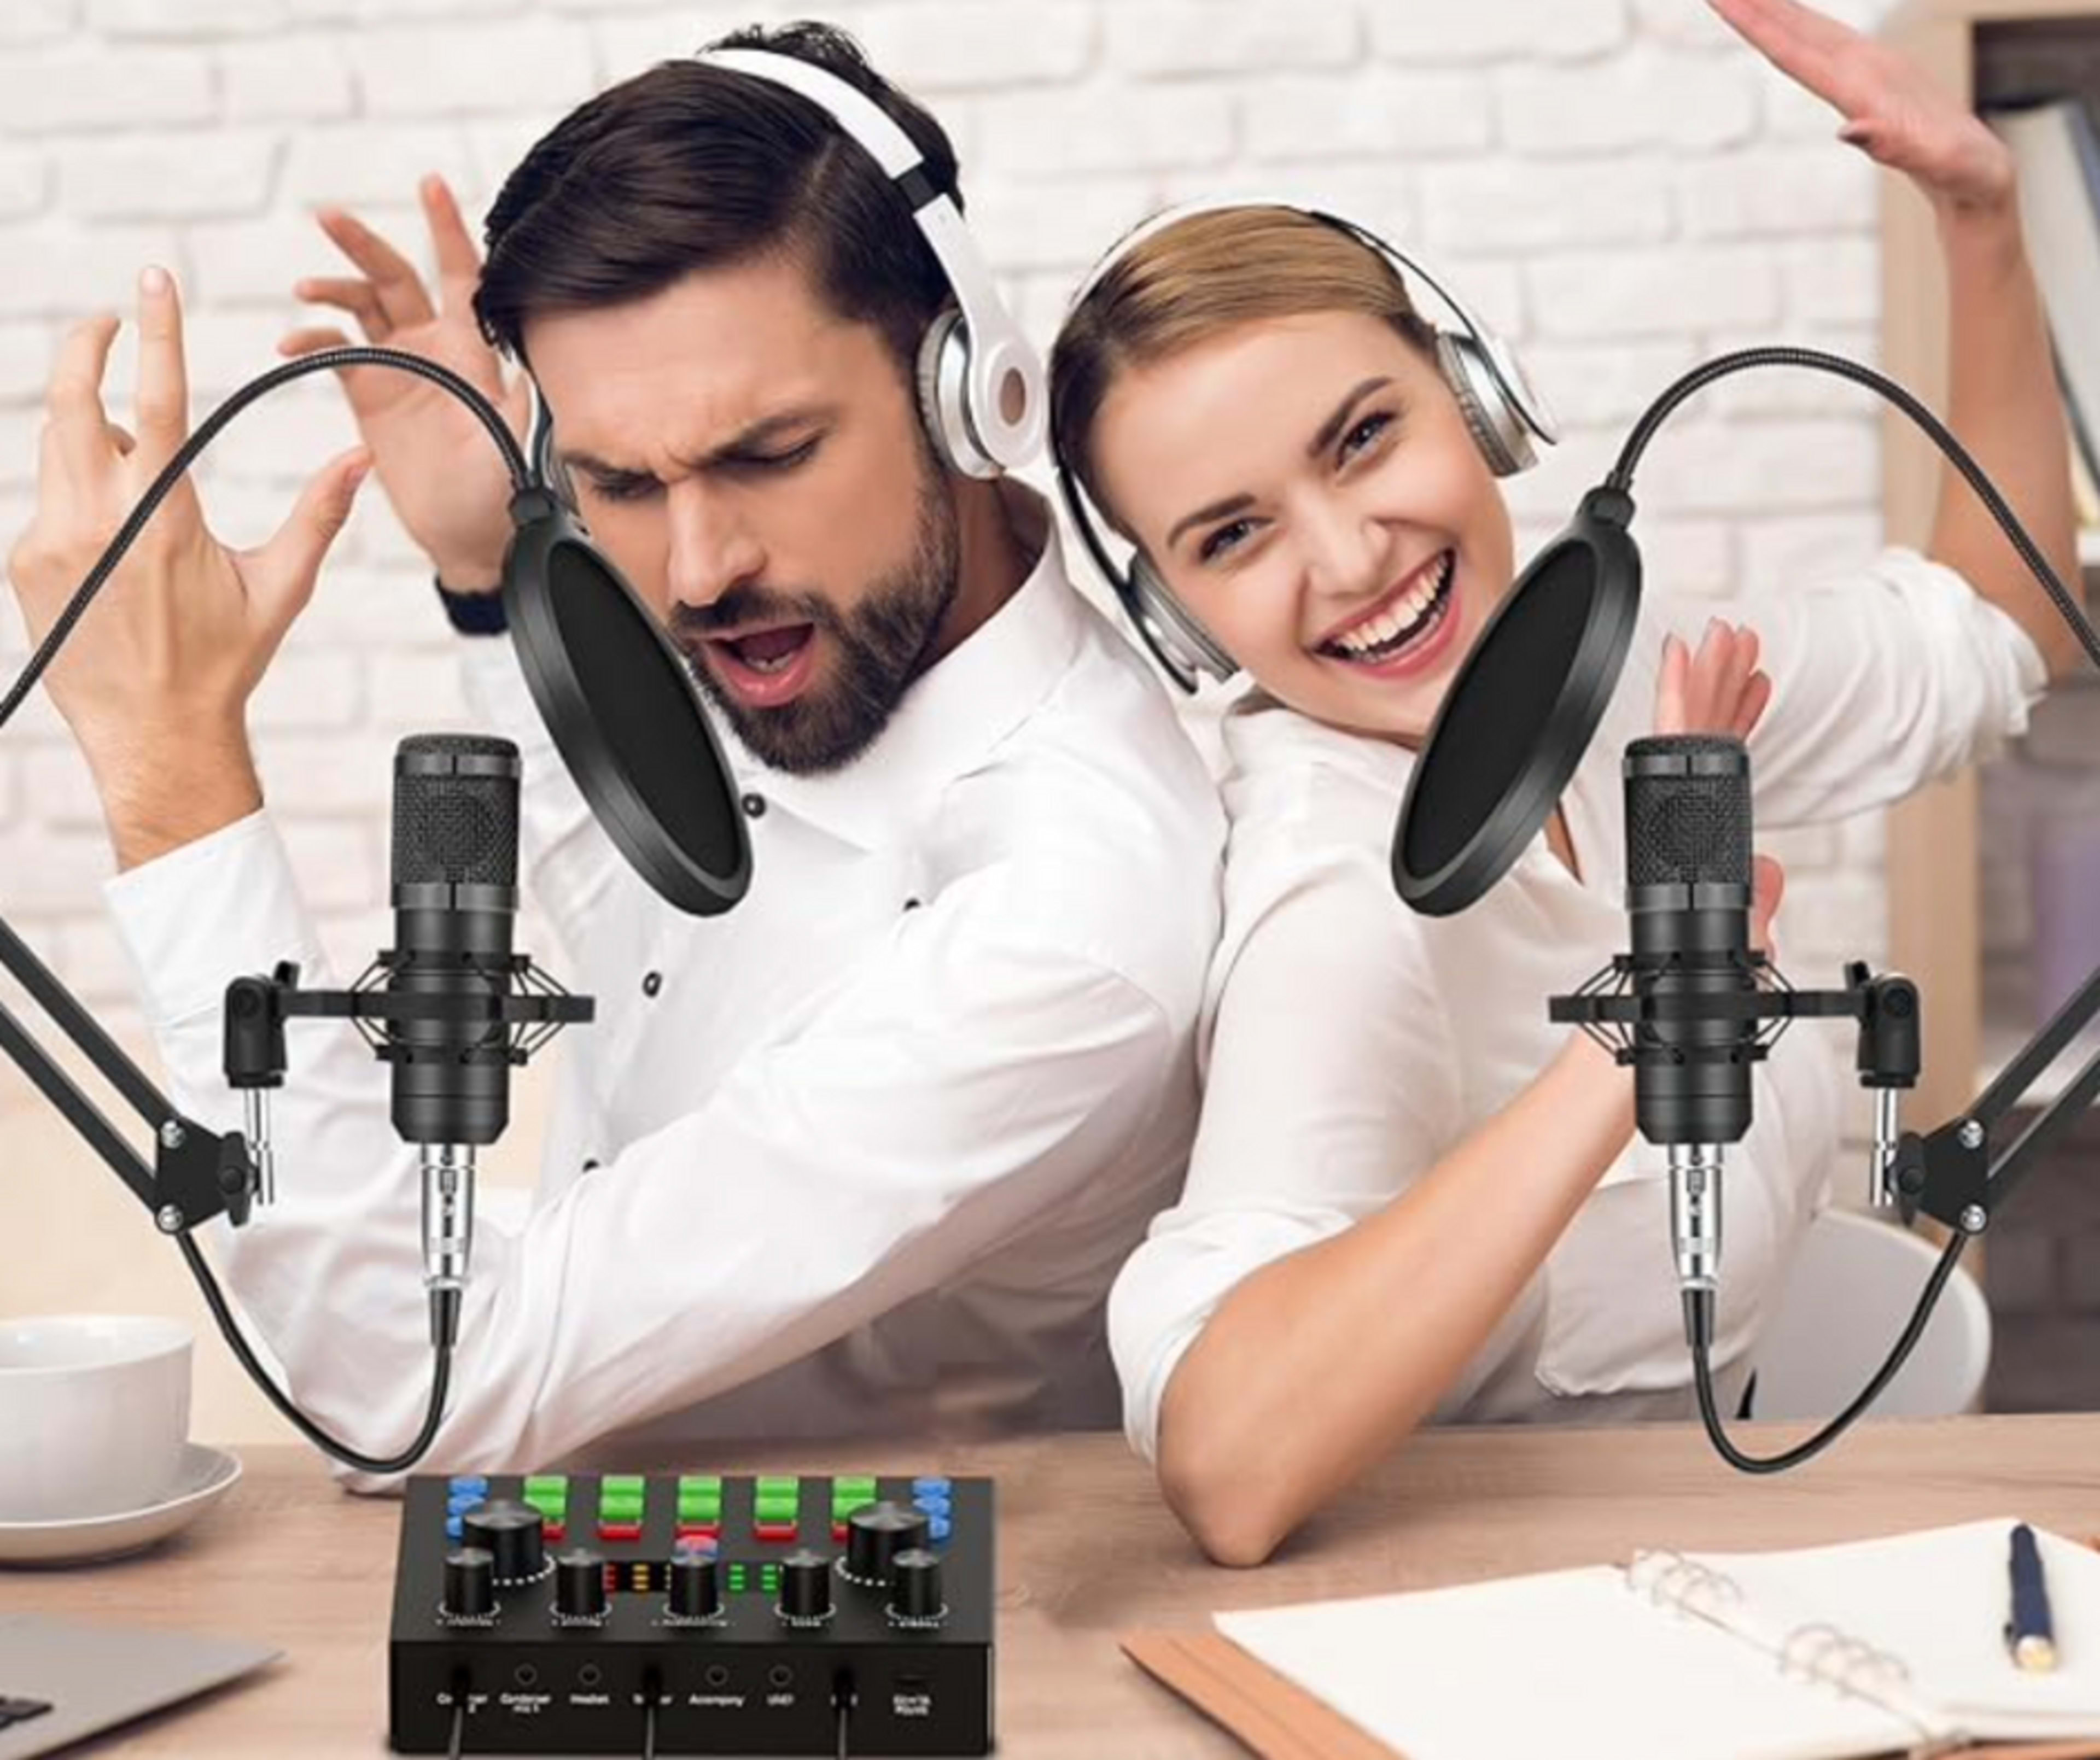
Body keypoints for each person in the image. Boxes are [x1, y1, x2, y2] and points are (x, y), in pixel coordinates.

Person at [5, 25, 1223, 1490]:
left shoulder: (1072, 912)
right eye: (618, 482)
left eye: (769, 452)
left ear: (972, 385)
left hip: (866, 1621)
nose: (699, 567)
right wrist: (482, 561)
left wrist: (168, 761)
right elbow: (665, 921)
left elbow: (410, 1396)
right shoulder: (827, 634)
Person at [1047, 0, 2081, 1565]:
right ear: (1174, 616)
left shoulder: (1595, 683)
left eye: (1365, 437)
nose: (1349, 558)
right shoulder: (1333, 901)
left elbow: (1994, 628)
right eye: (1233, 535)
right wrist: (1652, 1024)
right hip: (1492, 1615)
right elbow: (1232, 1462)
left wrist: (1977, 213)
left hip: (1737, 1548)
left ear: (1476, 394)